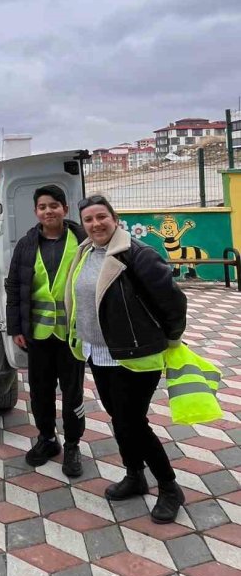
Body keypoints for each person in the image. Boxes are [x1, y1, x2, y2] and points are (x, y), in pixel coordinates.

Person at [65, 195, 187, 523]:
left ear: (114, 218)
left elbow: (173, 301)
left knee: (133, 422)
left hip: (135, 354)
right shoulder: (85, 252)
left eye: (101, 217)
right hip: (99, 351)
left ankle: (169, 487)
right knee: (119, 419)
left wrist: (170, 339)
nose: (95, 224)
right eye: (88, 219)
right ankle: (135, 475)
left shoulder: (138, 255)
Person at [5, 185, 87, 477]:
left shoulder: (83, 241)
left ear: (65, 209)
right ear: (36, 212)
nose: (48, 211)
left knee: (73, 392)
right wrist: (15, 326)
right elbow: (13, 286)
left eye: (54, 205)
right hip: (37, 335)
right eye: (42, 207)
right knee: (40, 392)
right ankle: (47, 439)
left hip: (72, 336)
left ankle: (73, 444)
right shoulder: (27, 244)